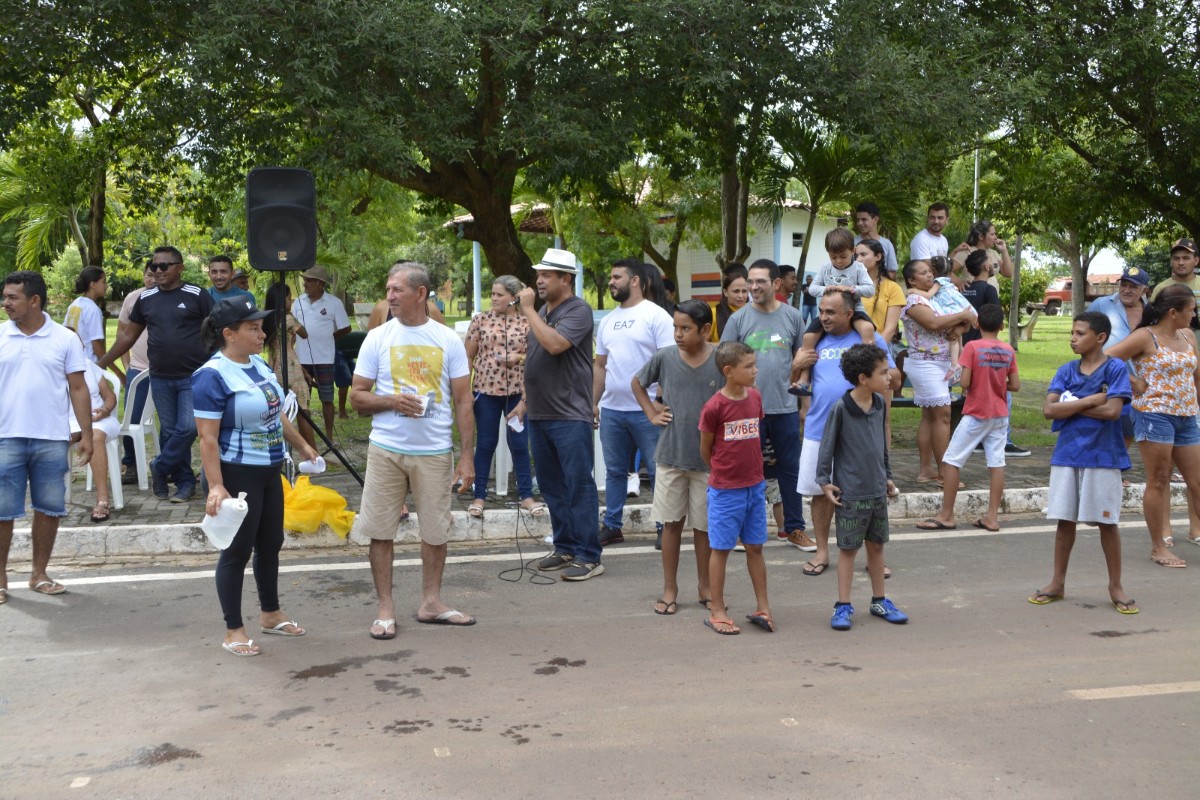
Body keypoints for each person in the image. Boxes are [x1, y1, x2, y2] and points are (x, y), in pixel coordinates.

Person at [351, 261, 476, 639]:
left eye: (397, 290)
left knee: (436, 531)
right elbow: (357, 397)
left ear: (420, 294)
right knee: (380, 531)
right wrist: (392, 402)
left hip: (435, 451)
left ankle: (431, 602)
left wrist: (467, 457)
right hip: (386, 449)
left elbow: (463, 400)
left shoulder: (448, 339)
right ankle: (385, 608)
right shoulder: (378, 337)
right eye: (388, 289)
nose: (389, 296)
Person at [194, 298, 319, 657]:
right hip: (236, 473)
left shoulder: (259, 366)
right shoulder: (211, 375)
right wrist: (217, 484)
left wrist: (302, 447)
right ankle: (233, 629)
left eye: (261, 327)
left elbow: (276, 414)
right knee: (236, 552)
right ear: (229, 333)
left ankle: (270, 613)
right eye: (253, 328)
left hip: (269, 470)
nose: (262, 334)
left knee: (270, 544)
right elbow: (208, 437)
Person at [1029, 311, 1137, 613]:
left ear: (1100, 338)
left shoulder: (1116, 369)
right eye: (1072, 333)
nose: (1072, 338)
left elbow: (1113, 411)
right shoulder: (1066, 370)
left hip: (1104, 456)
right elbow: (1049, 411)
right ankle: (1057, 582)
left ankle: (1116, 586)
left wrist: (1069, 405)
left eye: (1080, 333)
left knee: (1107, 522)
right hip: (1067, 454)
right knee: (1065, 520)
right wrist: (1091, 400)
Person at [0, 271, 93, 602]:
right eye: (5, 297)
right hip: (5, 437)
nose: (5, 303)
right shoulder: (0, 336)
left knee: (49, 508)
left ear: (34, 300)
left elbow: (79, 387)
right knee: (2, 511)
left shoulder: (64, 339)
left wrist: (88, 435)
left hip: (52, 439)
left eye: (13, 297)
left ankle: (39, 574)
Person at [98, 246, 215, 503]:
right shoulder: (147, 298)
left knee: (187, 427)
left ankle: (160, 466)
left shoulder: (197, 294)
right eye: (154, 266)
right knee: (171, 431)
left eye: (164, 266)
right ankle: (184, 483)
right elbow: (129, 334)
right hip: (160, 376)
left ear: (180, 267)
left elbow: (215, 330)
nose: (157, 271)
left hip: (193, 376)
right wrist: (103, 362)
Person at [792, 291, 896, 577]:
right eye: (822, 311)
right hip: (817, 429)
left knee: (865, 493)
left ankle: (873, 557)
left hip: (859, 434)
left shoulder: (870, 339)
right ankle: (823, 552)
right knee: (820, 493)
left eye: (831, 312)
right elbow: (795, 384)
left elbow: (892, 378)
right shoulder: (814, 340)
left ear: (850, 313)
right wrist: (796, 366)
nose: (823, 317)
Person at [516, 249, 604, 581]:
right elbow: (537, 355)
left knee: (577, 484)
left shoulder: (578, 309)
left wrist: (526, 310)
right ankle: (565, 546)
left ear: (566, 279)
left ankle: (589, 555)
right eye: (538, 274)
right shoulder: (542, 311)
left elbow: (555, 345)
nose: (539, 280)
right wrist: (525, 400)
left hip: (569, 414)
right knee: (552, 485)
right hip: (540, 413)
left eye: (547, 274)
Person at [632, 299, 723, 615]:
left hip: (709, 462)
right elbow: (637, 383)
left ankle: (706, 587)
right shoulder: (665, 357)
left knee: (704, 529)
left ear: (705, 329)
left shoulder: (721, 359)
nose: (678, 334)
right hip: (670, 457)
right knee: (670, 525)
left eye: (685, 328)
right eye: (675, 327)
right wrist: (651, 411)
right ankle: (669, 589)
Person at [1105, 284, 1200, 567]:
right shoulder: (1144, 337)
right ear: (1173, 312)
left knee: (1197, 481)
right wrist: (1133, 382)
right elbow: (1107, 358)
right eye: (1191, 309)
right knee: (1159, 479)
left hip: (1187, 417)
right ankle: (1159, 547)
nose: (1194, 314)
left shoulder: (1187, 335)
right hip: (1154, 415)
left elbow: (1196, 374)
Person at [720, 259, 810, 548]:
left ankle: (794, 528)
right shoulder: (738, 319)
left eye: (760, 281)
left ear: (776, 284)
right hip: (746, 411)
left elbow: (805, 359)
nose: (753, 287)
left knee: (790, 469)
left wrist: (804, 402)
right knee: (747, 470)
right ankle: (742, 531)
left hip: (785, 407)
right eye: (750, 281)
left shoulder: (794, 317)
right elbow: (723, 362)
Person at [816, 344, 905, 631]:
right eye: (882, 372)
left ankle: (879, 600)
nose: (889, 376)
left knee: (877, 547)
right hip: (851, 494)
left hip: (877, 490)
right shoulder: (841, 408)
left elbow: (881, 445)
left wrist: (887, 477)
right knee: (848, 550)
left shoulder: (879, 404)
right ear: (863, 378)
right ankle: (843, 605)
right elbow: (826, 447)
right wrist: (823, 482)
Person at [916, 305, 1019, 532]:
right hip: (1000, 414)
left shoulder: (972, 347)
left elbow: (964, 382)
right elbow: (1016, 385)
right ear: (1002, 326)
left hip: (976, 412)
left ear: (978, 324)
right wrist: (998, 384)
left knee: (952, 460)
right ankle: (992, 517)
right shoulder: (1008, 350)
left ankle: (947, 514)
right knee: (997, 462)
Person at [594, 259, 675, 545]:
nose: (612, 282)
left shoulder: (657, 316)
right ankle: (613, 525)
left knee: (657, 472)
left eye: (617, 277)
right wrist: (594, 402)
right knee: (615, 471)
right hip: (613, 410)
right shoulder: (607, 320)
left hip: (648, 412)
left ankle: (664, 528)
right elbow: (601, 366)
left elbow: (669, 363)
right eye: (611, 277)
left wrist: (662, 402)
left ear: (636, 280)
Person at [698, 341, 773, 635]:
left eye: (755, 364)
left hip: (755, 486)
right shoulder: (714, 407)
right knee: (722, 548)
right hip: (726, 490)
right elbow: (706, 450)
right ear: (729, 371)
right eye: (749, 366)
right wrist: (722, 472)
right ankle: (717, 610)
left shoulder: (755, 397)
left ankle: (763, 607)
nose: (755, 371)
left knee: (755, 547)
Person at [463, 275, 538, 517]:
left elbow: (537, 357)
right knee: (486, 444)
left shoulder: (528, 322)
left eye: (499, 295)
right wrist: (465, 388)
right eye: (492, 294)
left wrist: (520, 359)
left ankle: (526, 495)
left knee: (519, 444)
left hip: (518, 394)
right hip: (485, 392)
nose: (494, 298)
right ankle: (479, 496)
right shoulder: (481, 320)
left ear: (514, 298)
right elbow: (469, 356)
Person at [900, 259, 978, 485]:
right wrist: (963, 314)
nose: (929, 276)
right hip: (925, 363)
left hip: (942, 362)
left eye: (930, 272)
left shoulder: (938, 295)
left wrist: (961, 322)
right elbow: (934, 324)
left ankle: (926, 471)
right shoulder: (913, 300)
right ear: (911, 280)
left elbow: (966, 322)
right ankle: (945, 473)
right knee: (942, 416)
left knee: (930, 416)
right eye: (923, 273)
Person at [792, 227, 876, 395]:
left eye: (843, 256)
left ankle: (869, 369)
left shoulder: (859, 268)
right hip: (829, 311)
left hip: (854, 308)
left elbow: (870, 290)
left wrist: (852, 289)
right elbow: (812, 288)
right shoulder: (825, 268)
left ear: (853, 251)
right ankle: (805, 377)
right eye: (833, 257)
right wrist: (825, 289)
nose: (838, 261)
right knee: (808, 337)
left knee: (867, 329)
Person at [1086, 266, 1149, 450]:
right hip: (1105, 378)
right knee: (1101, 426)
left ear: (1144, 290)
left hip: (1143, 383)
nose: (1127, 290)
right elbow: (1086, 340)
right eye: (1124, 284)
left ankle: (1118, 472)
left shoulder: (1152, 311)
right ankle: (1096, 471)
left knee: (1128, 430)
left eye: (1133, 286)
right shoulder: (1101, 304)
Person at [292, 265, 351, 442]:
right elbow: (292, 327)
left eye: (309, 281)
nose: (305, 284)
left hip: (324, 358)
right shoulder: (298, 302)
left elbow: (346, 327)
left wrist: (328, 338)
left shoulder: (334, 302)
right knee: (302, 400)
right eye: (305, 281)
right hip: (302, 359)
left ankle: (329, 437)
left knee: (326, 398)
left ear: (320, 283)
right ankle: (306, 438)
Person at [70, 336, 121, 523]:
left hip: (99, 419)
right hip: (68, 421)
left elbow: (109, 395)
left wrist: (105, 410)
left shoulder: (88, 365)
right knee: (53, 441)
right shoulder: (51, 368)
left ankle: (102, 499)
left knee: (95, 436)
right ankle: (52, 500)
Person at [263, 282, 316, 449]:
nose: (291, 300)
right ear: (281, 300)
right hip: (290, 365)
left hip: (274, 365)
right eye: (288, 297)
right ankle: (311, 450)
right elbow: (304, 334)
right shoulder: (288, 319)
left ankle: (281, 449)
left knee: (279, 411)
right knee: (302, 410)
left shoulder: (268, 318)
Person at [116, 263, 155, 483]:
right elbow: (122, 333)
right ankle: (130, 464)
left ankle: (172, 466)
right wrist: (126, 365)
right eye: (149, 275)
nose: (152, 279)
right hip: (138, 369)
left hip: (168, 371)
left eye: (156, 275)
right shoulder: (132, 298)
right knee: (131, 419)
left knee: (173, 423)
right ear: (143, 276)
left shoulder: (168, 298)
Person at [64, 266, 122, 380]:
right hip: (88, 369)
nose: (106, 286)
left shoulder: (74, 304)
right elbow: (97, 347)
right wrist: (118, 373)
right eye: (103, 282)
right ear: (93, 284)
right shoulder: (93, 310)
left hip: (72, 365)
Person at [1150, 238, 1200, 329]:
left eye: (1186, 258)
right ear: (1171, 261)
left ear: (1196, 261)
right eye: (1176, 258)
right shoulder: (1161, 289)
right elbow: (1153, 322)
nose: (1181, 263)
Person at [950, 219, 1015, 289]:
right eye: (992, 234)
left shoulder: (994, 253)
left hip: (992, 298)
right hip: (973, 297)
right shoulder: (967, 251)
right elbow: (946, 271)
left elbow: (1008, 274)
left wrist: (1004, 251)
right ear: (981, 236)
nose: (996, 237)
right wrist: (958, 281)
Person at [958, 251, 1000, 346]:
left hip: (960, 343)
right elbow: (996, 319)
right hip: (981, 345)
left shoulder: (962, 288)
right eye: (990, 260)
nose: (993, 263)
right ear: (986, 267)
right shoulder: (989, 289)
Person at [853, 202, 900, 277]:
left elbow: (892, 272)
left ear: (875, 219)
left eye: (864, 219)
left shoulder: (887, 244)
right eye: (858, 220)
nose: (860, 223)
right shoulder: (851, 243)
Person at [710, 264, 748, 342]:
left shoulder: (754, 311)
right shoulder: (713, 313)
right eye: (736, 291)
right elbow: (702, 345)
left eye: (744, 291)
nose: (741, 296)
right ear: (725, 292)